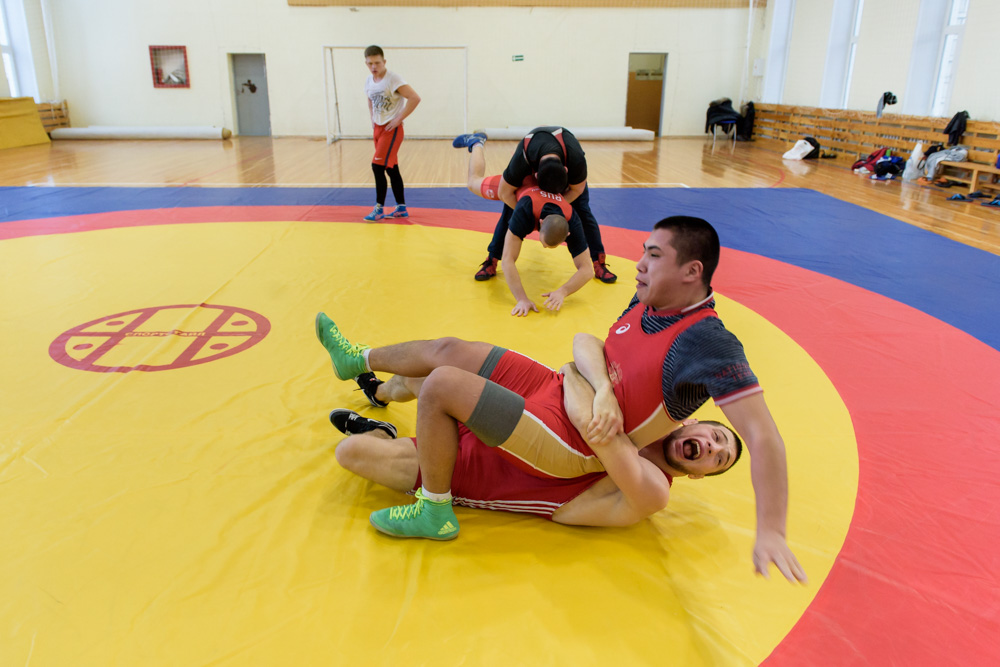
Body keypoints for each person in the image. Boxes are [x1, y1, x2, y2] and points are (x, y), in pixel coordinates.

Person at [315, 216, 807, 583]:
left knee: (442, 383)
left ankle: (435, 508)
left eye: (654, 255)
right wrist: (601, 392)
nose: (638, 263)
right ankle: (357, 360)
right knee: (451, 351)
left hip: (572, 443)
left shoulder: (706, 342)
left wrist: (772, 530)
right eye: (644, 250)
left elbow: (762, 435)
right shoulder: (647, 302)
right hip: (555, 390)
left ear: (690, 271)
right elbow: (588, 345)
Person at [329, 361, 742, 530]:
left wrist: (573, 377)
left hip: (475, 474)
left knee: (348, 454)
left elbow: (591, 434)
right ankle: (379, 391)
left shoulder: (650, 491)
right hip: (513, 424)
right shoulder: (639, 417)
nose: (710, 447)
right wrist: (578, 376)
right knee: (432, 372)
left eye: (717, 459)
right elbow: (584, 351)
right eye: (716, 436)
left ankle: (381, 433)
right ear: (694, 423)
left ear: (696, 474)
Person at [454, 126, 617, 284]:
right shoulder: (522, 159)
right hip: (528, 183)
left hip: (563, 179)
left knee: (583, 212)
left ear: (566, 170)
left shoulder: (576, 160)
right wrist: (527, 212)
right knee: (505, 209)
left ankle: (599, 261)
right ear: (536, 175)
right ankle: (477, 143)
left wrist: (555, 209)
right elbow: (505, 194)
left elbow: (577, 190)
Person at [453, 135, 594, 316]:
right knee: (473, 182)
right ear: (540, 223)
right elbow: (508, 260)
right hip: (518, 183)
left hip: (545, 179)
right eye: (543, 242)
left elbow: (587, 271)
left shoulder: (571, 217)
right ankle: (477, 143)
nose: (543, 247)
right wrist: (521, 298)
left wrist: (563, 291)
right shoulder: (525, 210)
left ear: (568, 234)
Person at [362, 45, 420, 222]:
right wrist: (372, 117)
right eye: (370, 63)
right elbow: (370, 99)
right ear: (366, 63)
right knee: (391, 168)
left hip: (391, 129)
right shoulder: (369, 80)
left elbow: (415, 98)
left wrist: (398, 119)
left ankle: (379, 208)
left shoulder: (393, 79)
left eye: (377, 63)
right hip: (378, 129)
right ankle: (401, 208)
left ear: (384, 61)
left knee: (377, 166)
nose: (374, 66)